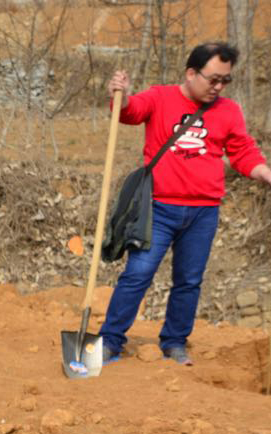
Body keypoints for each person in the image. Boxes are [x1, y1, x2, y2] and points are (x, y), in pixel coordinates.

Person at [100, 42, 271, 366]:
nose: (218, 87)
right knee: (138, 274)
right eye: (213, 79)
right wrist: (119, 95)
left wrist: (263, 171)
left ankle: (175, 342)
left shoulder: (229, 111)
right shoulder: (160, 97)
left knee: (189, 281)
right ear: (191, 73)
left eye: (225, 81)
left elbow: (242, 151)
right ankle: (110, 341)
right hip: (159, 209)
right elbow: (130, 112)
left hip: (204, 212)